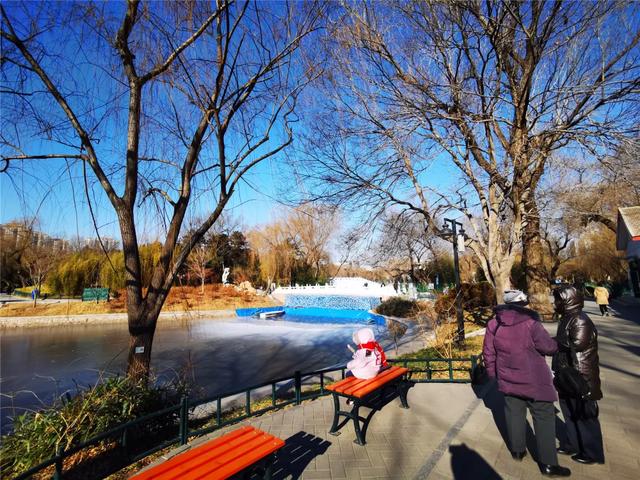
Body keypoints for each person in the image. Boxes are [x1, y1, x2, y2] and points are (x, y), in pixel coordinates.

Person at [483, 290, 571, 477]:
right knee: (544, 417)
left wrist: (493, 375)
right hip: (535, 381)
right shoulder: (532, 324)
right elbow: (548, 347)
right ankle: (548, 464)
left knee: (513, 413)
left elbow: (488, 353)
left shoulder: (493, 324)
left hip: (507, 379)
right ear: (522, 304)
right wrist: (559, 344)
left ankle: (517, 451)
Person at [552, 285, 605, 465]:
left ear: (567, 300)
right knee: (569, 412)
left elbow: (578, 344)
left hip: (580, 375)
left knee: (584, 415)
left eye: (558, 299)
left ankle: (591, 451)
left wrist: (551, 342)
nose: (555, 303)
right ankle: (572, 444)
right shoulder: (567, 318)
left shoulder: (580, 319)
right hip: (566, 374)